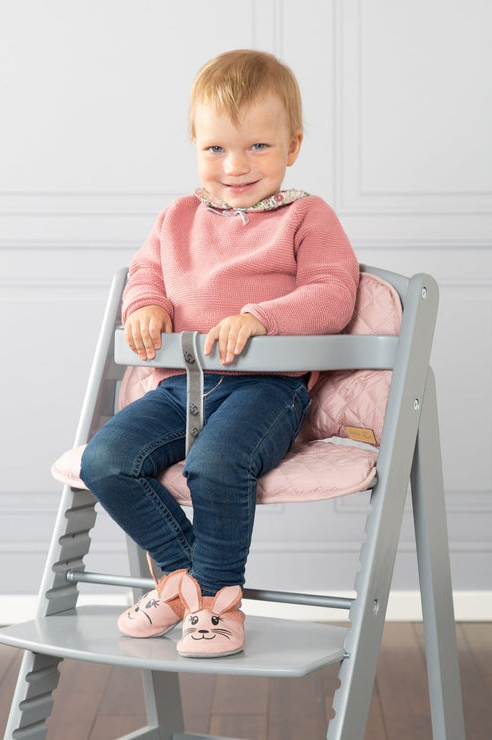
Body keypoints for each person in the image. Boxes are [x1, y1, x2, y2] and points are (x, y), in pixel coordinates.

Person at [79, 49, 359, 658]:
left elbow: (334, 294)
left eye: (258, 147)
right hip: (183, 386)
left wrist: (261, 317)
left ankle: (219, 602)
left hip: (268, 389)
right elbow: (146, 272)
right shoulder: (178, 216)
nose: (235, 166)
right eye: (215, 149)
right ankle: (185, 582)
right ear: (194, 143)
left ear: (294, 144)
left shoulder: (307, 216)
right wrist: (145, 306)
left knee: (215, 464)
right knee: (104, 460)